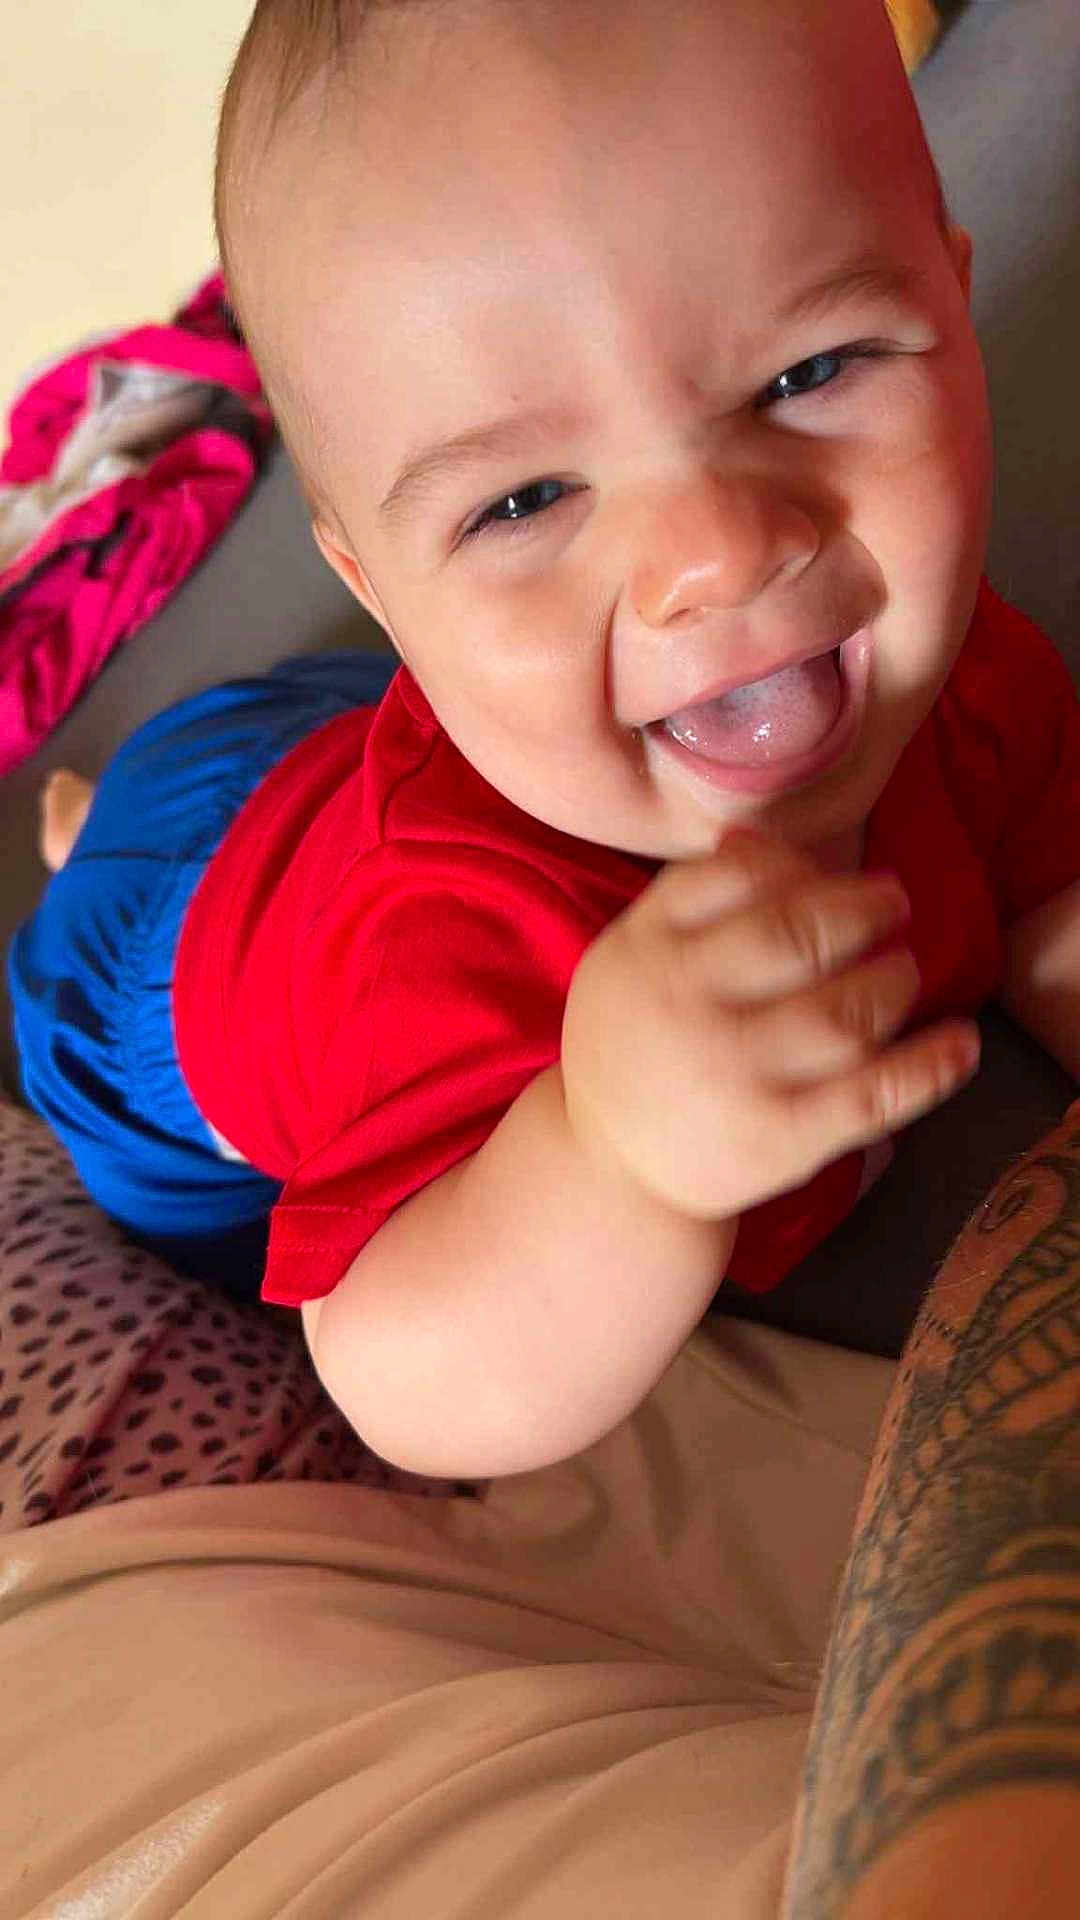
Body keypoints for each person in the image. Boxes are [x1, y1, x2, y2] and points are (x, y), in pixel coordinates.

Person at [8, 0, 1080, 1484]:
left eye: (809, 373)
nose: (714, 555)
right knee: (122, 925)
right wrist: (610, 1155)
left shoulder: (958, 673)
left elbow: (1045, 884)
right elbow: (398, 1370)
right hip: (170, 983)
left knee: (388, 741)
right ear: (378, 592)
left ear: (952, 310)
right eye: (522, 502)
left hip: (365, 743)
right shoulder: (435, 956)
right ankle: (84, 837)